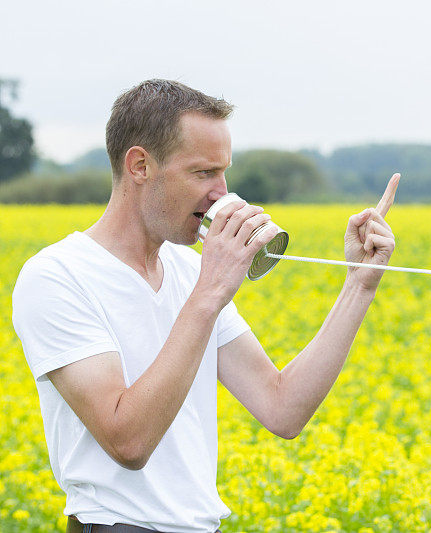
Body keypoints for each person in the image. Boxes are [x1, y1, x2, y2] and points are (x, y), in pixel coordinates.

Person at [11, 79, 400, 533]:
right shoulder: (58, 276)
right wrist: (211, 290)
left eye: (223, 172)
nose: (220, 193)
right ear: (139, 165)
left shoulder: (189, 271)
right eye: (202, 173)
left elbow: (282, 408)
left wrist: (360, 287)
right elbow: (129, 441)